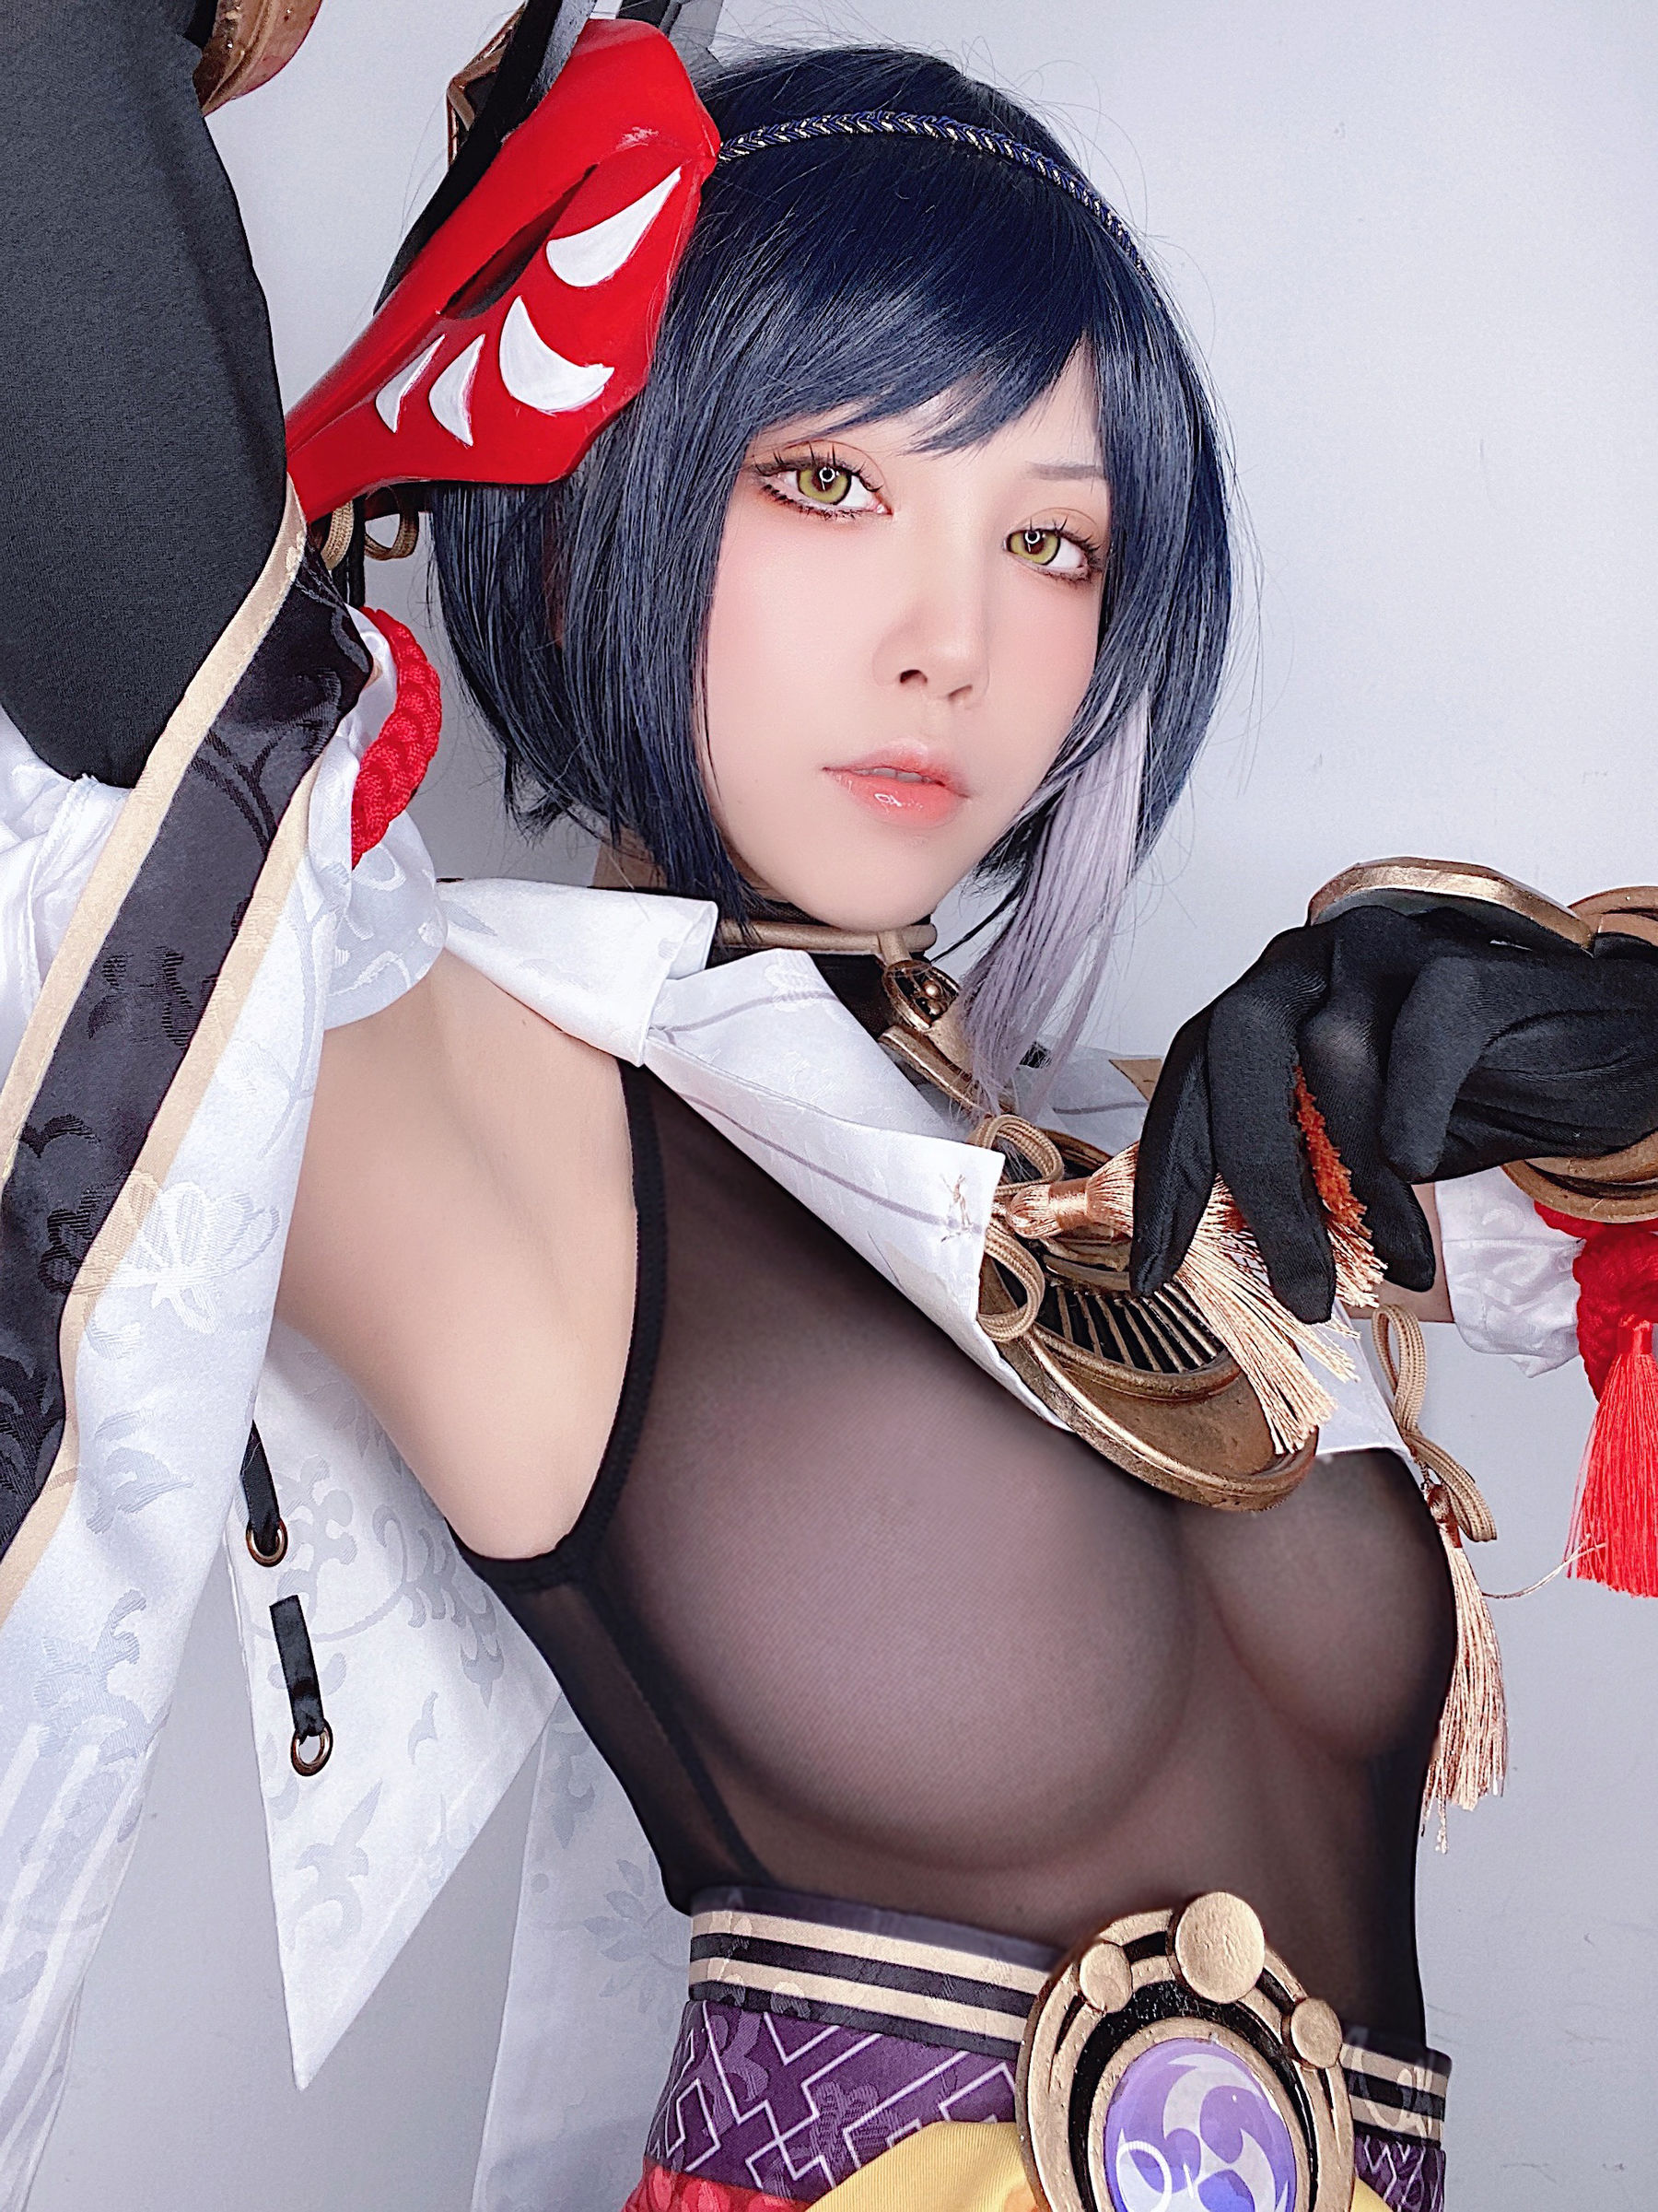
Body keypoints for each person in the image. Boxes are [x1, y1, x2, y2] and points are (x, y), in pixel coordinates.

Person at [3, 5, 1656, 2208]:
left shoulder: (1197, 1171)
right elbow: (147, 603)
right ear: (608, 491)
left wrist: (1621, 1059)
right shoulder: (478, 1085)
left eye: (1053, 545)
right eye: (830, 482)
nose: (950, 639)